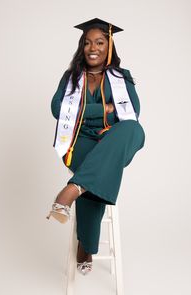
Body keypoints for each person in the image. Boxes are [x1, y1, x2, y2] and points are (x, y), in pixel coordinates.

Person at [46, 18, 145, 275]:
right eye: (88, 42)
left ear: (109, 46)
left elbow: (131, 113)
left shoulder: (121, 78)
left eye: (100, 42)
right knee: (98, 167)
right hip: (77, 142)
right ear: (82, 46)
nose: (93, 47)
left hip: (111, 141)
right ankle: (86, 245)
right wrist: (106, 109)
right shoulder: (71, 78)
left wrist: (81, 111)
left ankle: (72, 190)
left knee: (134, 130)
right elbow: (58, 109)